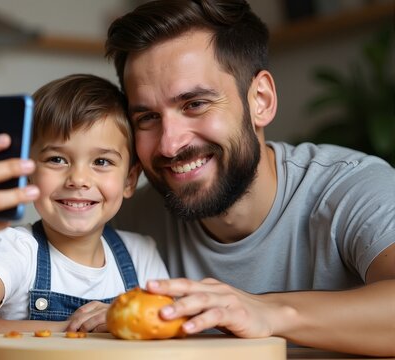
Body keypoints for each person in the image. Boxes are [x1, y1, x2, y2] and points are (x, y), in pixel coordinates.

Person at [103, 0, 395, 357]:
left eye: (194, 104)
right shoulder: (126, 220)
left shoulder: (353, 189)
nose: (169, 144)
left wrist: (269, 312)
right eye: (147, 117)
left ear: (261, 100)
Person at [0, 73, 169, 343]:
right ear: (28, 172)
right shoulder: (15, 249)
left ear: (129, 180)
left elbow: (168, 327)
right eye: (57, 159)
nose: (78, 179)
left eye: (101, 161)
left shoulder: (141, 255)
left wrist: (117, 317)